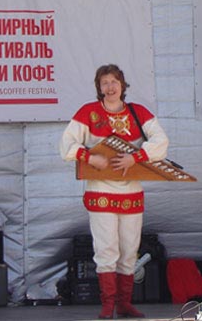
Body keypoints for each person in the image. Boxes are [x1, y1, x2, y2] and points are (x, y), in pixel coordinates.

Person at [60, 64, 169, 319]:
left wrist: (136, 157)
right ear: (99, 87)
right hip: (101, 191)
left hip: (131, 191)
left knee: (129, 249)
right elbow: (66, 144)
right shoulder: (89, 112)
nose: (110, 87)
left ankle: (124, 304)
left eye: (114, 82)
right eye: (105, 83)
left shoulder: (138, 112)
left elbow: (161, 141)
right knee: (106, 248)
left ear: (122, 85)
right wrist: (90, 157)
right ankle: (108, 305)